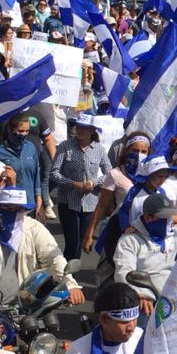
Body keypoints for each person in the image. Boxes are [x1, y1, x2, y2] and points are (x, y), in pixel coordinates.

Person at [0, 187, 84, 304]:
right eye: (7, 208)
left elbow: (54, 258)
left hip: (27, 305)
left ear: (24, 211)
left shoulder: (35, 229)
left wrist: (70, 285)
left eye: (17, 210)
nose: (12, 214)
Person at [51, 112, 111, 261]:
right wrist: (72, 183)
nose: (80, 130)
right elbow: (54, 173)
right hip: (67, 201)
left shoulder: (99, 149)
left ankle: (72, 274)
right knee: (72, 243)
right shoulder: (65, 146)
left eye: (84, 128)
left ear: (92, 130)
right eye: (78, 127)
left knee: (82, 242)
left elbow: (110, 175)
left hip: (89, 203)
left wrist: (94, 182)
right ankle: (65, 276)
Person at [112, 193, 177, 308]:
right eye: (164, 218)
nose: (168, 221)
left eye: (170, 217)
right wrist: (142, 295)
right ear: (148, 217)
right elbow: (124, 272)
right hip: (149, 300)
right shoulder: (130, 240)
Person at [0, 112, 45, 219]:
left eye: (27, 131)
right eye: (20, 131)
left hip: (29, 203)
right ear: (10, 130)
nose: (24, 134)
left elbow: (36, 174)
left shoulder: (31, 148)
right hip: (9, 204)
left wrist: (39, 198)